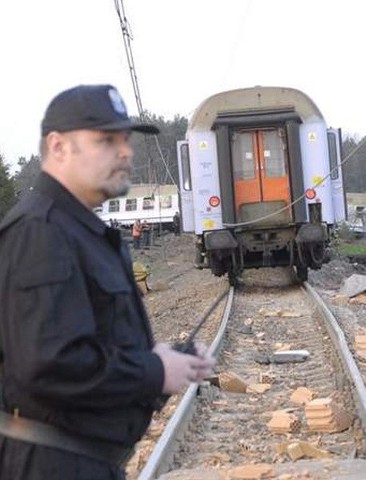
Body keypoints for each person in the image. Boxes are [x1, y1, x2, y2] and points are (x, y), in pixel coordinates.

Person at [0, 84, 215, 480]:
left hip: (83, 463)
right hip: (52, 466)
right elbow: (49, 365)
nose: (125, 152)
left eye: (126, 139)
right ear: (59, 147)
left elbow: (87, 343)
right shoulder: (40, 231)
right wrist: (152, 370)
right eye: (106, 140)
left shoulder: (79, 229)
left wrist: (170, 360)